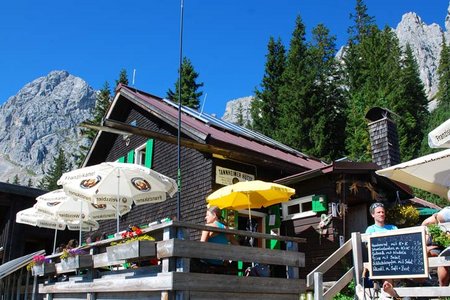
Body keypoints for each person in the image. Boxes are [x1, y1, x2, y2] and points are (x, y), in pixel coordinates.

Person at [365, 202, 400, 299]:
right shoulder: (370, 229)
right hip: (381, 260)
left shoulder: (393, 228)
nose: (381, 214)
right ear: (373, 215)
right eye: (378, 212)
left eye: (383, 212)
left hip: (397, 257)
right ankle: (391, 292)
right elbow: (369, 247)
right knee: (387, 265)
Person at [422, 207, 450, 286]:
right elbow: (425, 224)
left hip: (442, 248)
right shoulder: (446, 212)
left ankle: (442, 290)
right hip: (437, 247)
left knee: (444, 259)